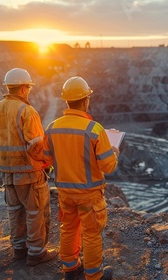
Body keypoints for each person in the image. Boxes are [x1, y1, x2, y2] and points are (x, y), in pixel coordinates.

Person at [44, 76, 119, 280]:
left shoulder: (52, 128)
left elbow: (45, 159)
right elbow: (108, 166)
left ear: (66, 101)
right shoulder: (94, 129)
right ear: (86, 100)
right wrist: (114, 152)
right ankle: (93, 276)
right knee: (92, 233)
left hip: (65, 193)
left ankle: (70, 269)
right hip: (89, 195)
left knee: (68, 228)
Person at [0, 68, 57, 266]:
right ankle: (36, 253)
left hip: (7, 173)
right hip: (30, 174)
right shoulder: (27, 111)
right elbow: (36, 145)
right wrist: (44, 163)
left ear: (9, 88)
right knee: (35, 212)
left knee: (15, 211)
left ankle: (19, 249)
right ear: (24, 88)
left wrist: (6, 155)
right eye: (28, 88)